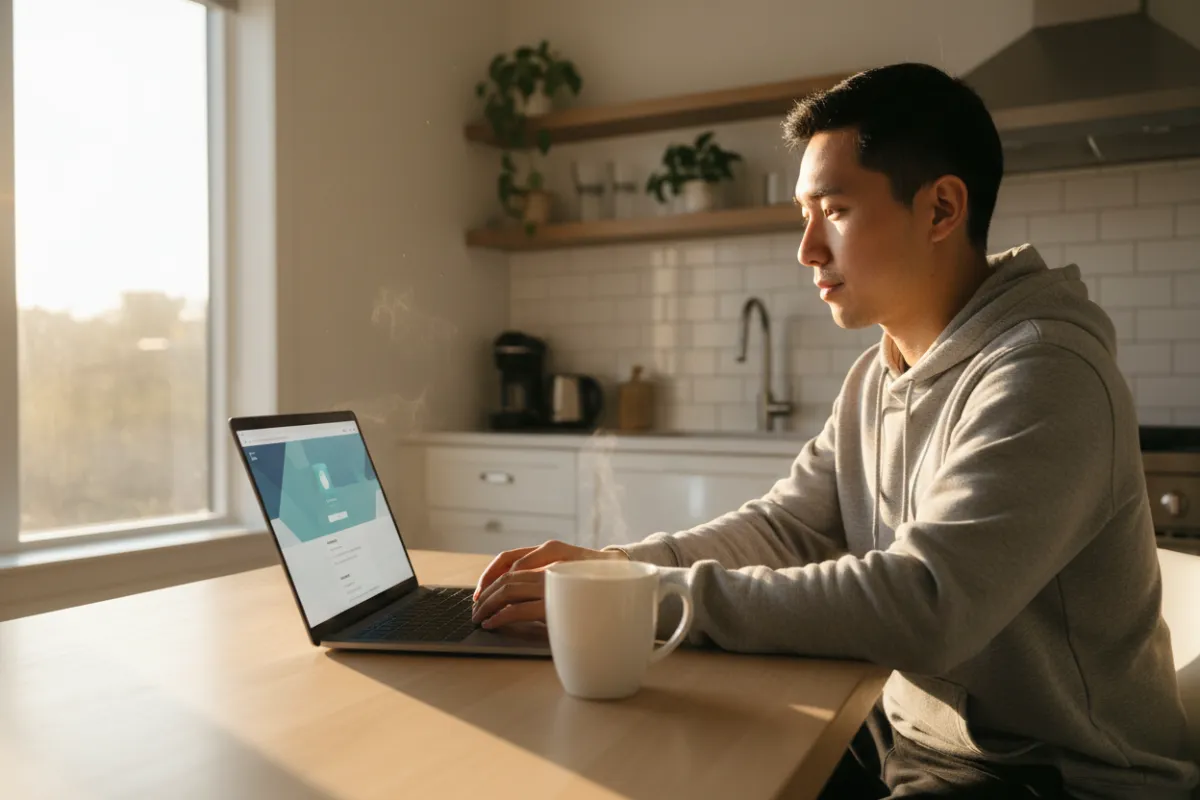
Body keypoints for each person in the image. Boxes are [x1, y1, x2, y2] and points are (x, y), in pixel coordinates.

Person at [470, 63, 1200, 799]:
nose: (807, 250)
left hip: (1050, 775)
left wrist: (648, 594)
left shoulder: (1045, 373)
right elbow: (788, 528)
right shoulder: (876, 377)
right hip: (910, 735)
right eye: (804, 215)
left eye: (836, 211)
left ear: (942, 208)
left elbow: (926, 604)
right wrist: (617, 569)